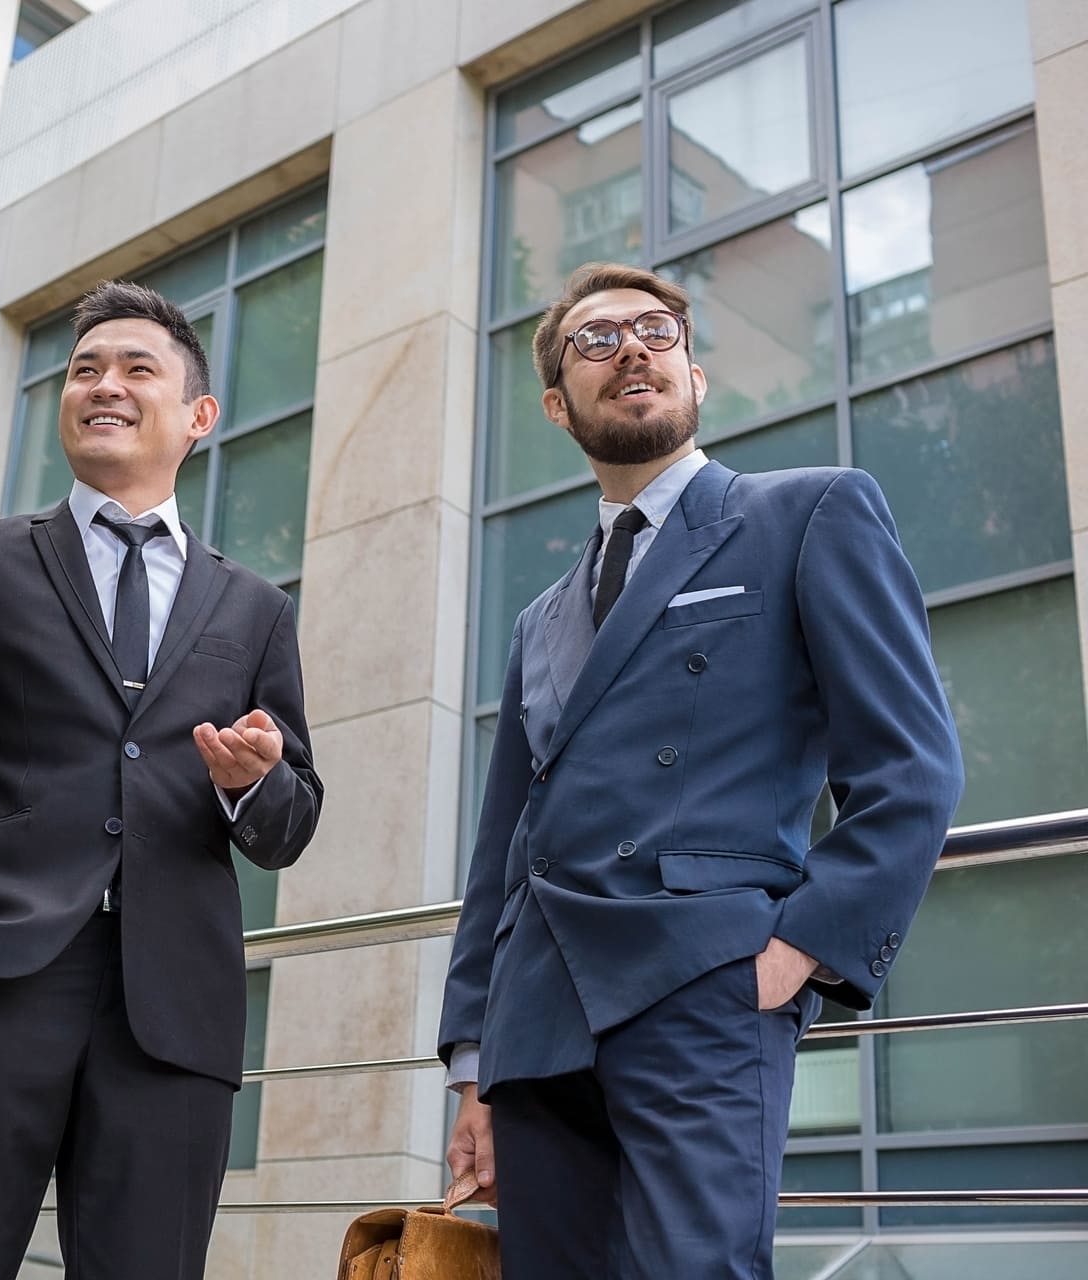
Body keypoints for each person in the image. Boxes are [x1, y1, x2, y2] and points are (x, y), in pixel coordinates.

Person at [437, 262, 963, 1278]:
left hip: (703, 989)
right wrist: (474, 1066)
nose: (631, 347)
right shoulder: (540, 617)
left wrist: (794, 952)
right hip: (540, 1028)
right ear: (558, 403)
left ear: (695, 373)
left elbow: (912, 765)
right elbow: (504, 846)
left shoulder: (811, 512)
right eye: (596, 340)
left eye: (656, 330)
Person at [0, 281, 323, 1279]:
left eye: (135, 368)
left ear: (198, 416)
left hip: (174, 1011)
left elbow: (290, 820)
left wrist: (252, 782)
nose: (104, 384)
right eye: (85, 369)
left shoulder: (254, 608)